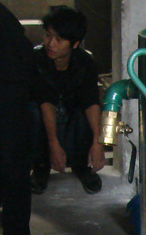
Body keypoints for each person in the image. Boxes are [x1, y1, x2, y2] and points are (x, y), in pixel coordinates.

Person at [30, 5, 105, 195]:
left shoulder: (84, 62)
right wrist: (53, 144)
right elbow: (45, 101)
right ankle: (40, 167)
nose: (51, 44)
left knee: (86, 112)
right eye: (48, 36)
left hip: (71, 119)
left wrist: (98, 142)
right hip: (44, 119)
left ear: (75, 43)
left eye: (59, 39)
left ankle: (82, 166)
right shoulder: (36, 59)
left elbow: (91, 101)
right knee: (32, 112)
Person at [0, 2, 35, 235]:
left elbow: (18, 61)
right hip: (11, 91)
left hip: (10, 95)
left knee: (12, 166)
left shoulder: (4, 25)